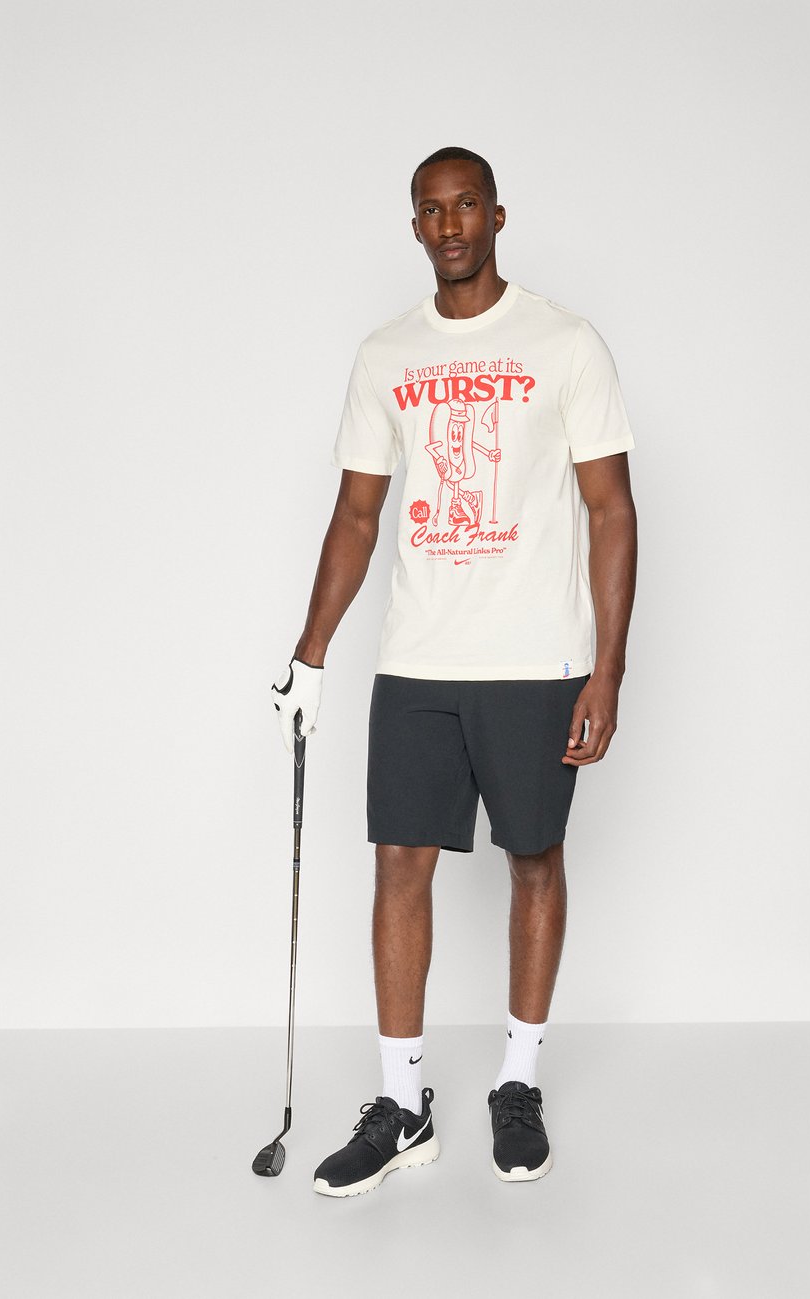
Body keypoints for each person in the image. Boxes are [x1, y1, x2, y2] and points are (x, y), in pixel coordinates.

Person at [271, 146, 638, 1197]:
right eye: (431, 211)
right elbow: (357, 514)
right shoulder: (386, 354)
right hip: (418, 659)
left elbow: (611, 509)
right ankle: (404, 1106)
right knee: (399, 865)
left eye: (466, 205)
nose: (450, 226)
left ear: (497, 215)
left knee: (534, 858)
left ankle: (517, 1085)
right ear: (416, 227)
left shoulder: (565, 342)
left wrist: (607, 671)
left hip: (537, 660)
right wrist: (309, 652)